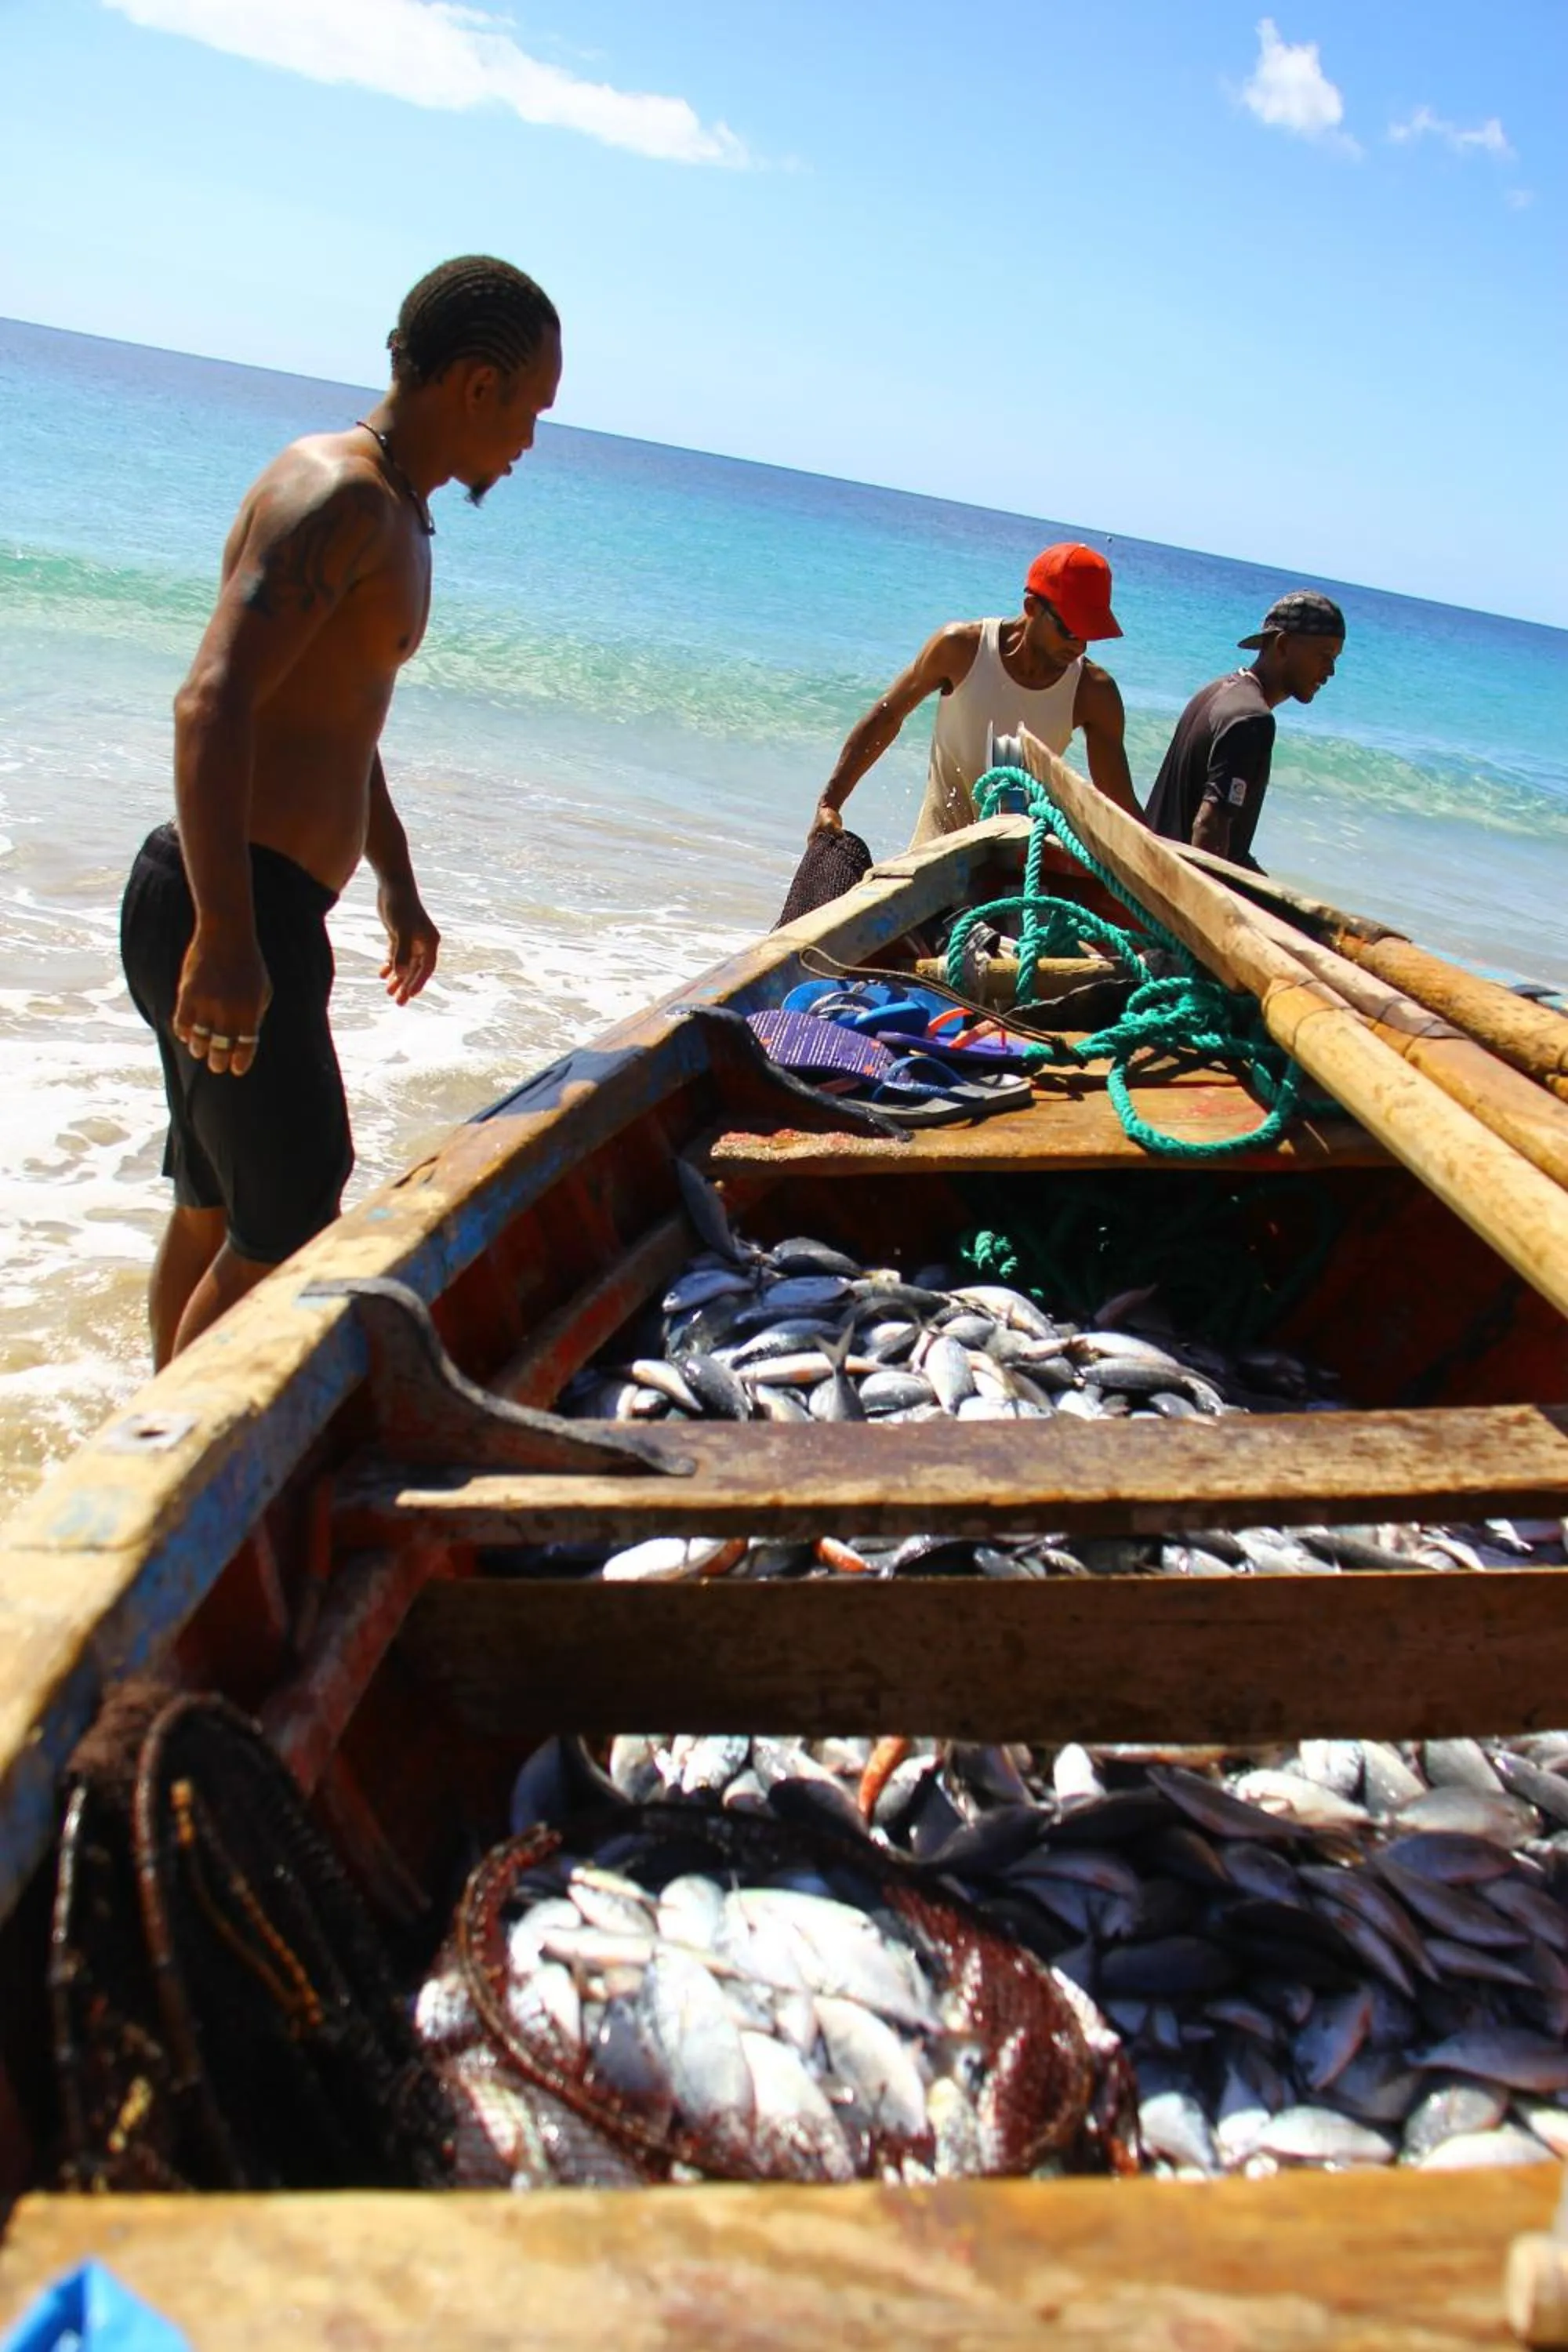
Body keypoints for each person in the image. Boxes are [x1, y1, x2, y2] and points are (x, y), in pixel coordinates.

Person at [121, 256, 562, 1366]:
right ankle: (186, 1456)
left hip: (239, 896)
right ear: (476, 385)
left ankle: (150, 1420)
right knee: (288, 1227)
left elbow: (337, 722)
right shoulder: (342, 496)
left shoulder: (394, 508)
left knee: (216, 1206)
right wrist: (228, 934)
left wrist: (394, 880)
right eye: (531, 409)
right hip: (234, 900)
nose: (529, 441)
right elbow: (211, 702)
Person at [809, 543, 1142, 850]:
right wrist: (830, 803)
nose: (1079, 646)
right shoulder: (961, 650)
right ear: (1031, 607)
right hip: (935, 852)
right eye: (1070, 630)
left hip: (1017, 862)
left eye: (1089, 634)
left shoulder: (1093, 693)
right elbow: (888, 715)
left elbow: (1120, 807)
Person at [1145, 590, 1345, 872]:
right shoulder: (1252, 719)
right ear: (1283, 644)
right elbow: (1209, 827)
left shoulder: (1215, 691)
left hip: (1153, 861)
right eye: (1325, 656)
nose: (1331, 671)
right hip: (1175, 879)